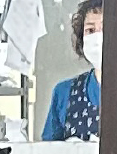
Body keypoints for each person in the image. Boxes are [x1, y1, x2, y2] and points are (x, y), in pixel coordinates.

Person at [41, 0, 103, 141]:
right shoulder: (64, 92)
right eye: (90, 30)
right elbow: (49, 150)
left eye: (105, 28)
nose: (98, 37)